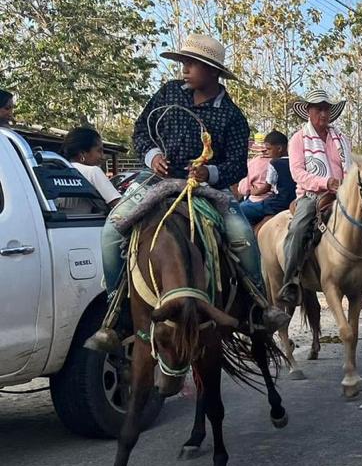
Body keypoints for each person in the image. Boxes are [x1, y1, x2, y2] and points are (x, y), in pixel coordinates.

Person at [87, 35, 287, 352]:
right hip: (157, 180)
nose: (184, 69)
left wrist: (210, 172)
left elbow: (237, 165)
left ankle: (259, 308)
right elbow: (141, 130)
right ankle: (116, 315)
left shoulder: (232, 116)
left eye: (192, 64)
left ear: (213, 71)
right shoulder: (168, 93)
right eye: (183, 62)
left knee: (243, 236)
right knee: (112, 231)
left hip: (208, 189)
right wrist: (152, 155)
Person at [279, 88, 353, 307]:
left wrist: (347, 186)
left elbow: (350, 168)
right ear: (308, 111)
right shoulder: (298, 139)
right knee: (298, 228)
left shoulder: (342, 138)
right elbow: (297, 173)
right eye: (318, 109)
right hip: (312, 195)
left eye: (326, 109)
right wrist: (325, 183)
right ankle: (290, 280)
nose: (323, 113)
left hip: (343, 194)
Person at [236, 131, 294, 226]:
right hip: (293, 201)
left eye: (269, 149)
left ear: (279, 148)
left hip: (277, 203)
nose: (267, 152)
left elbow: (266, 187)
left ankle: (248, 234)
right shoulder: (295, 161)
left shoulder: (273, 163)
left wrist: (255, 192)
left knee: (241, 209)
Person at [64, 125, 121, 207]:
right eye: (99, 151)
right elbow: (120, 205)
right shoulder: (92, 171)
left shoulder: (60, 170)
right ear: (82, 153)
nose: (103, 156)